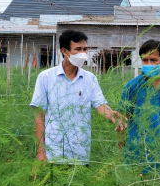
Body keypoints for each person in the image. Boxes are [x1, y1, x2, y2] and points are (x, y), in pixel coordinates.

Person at [31, 29, 125, 165]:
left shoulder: (89, 79)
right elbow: (39, 116)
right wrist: (40, 152)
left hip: (80, 154)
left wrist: (112, 116)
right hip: (54, 154)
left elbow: (100, 105)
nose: (83, 54)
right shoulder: (46, 77)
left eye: (85, 49)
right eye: (78, 49)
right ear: (65, 51)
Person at [119, 40, 160, 174]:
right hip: (135, 154)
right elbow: (122, 122)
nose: (149, 64)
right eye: (145, 60)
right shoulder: (132, 86)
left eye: (153, 60)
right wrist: (121, 152)